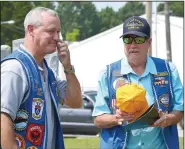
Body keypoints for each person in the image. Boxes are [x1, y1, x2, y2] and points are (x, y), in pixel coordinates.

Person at [92, 16, 184, 149]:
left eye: (139, 39)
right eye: (128, 39)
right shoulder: (107, 74)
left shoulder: (168, 70)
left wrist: (168, 118)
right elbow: (98, 120)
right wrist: (116, 118)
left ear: (149, 42)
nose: (133, 45)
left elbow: (180, 110)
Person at [1, 7, 82, 149]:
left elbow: (75, 102)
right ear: (31, 30)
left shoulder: (48, 72)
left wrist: (68, 67)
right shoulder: (15, 68)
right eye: (51, 31)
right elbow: (2, 119)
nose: (57, 38)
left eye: (58, 32)